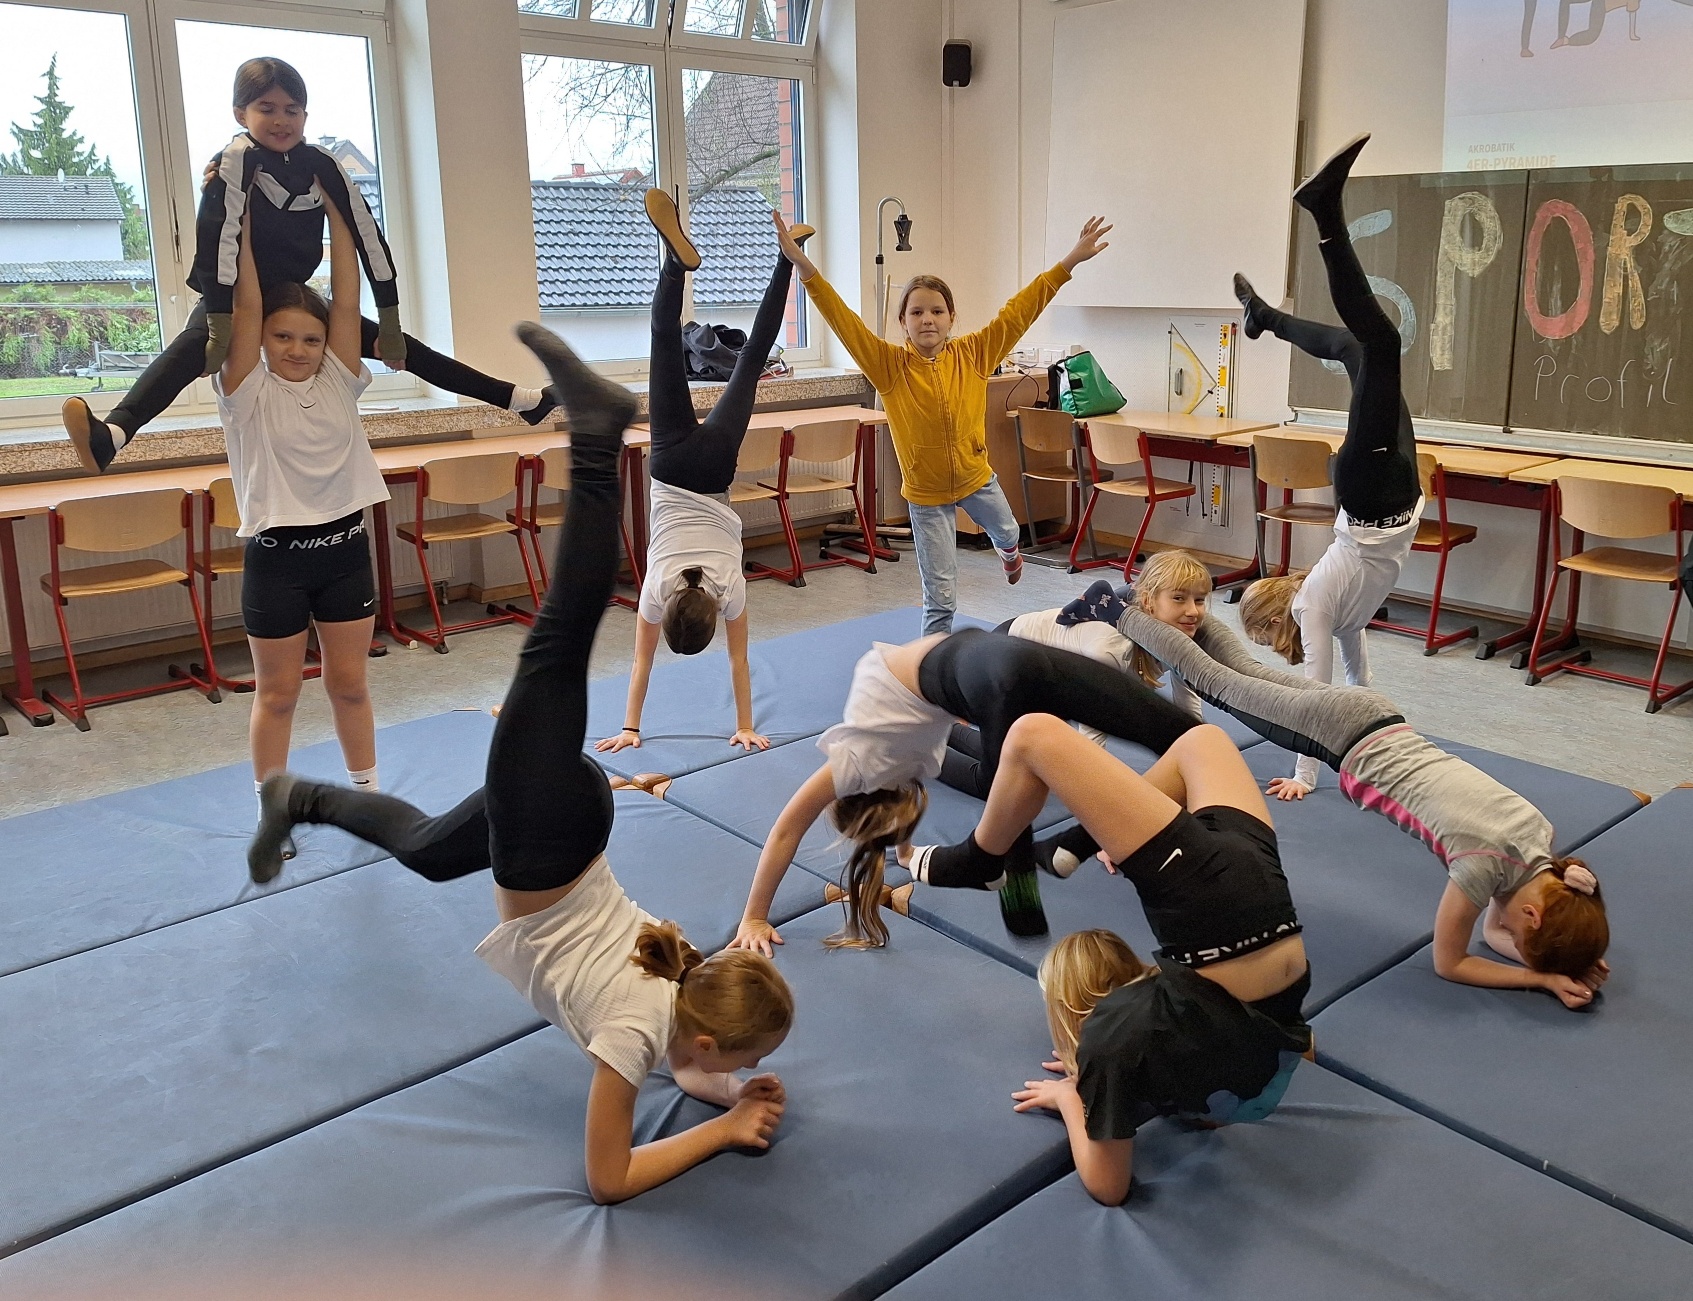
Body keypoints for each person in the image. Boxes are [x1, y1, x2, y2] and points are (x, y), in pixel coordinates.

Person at [250, 325, 793, 1204]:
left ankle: (299, 796)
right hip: (548, 842)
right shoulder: (636, 1027)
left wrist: (727, 1090)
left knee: (429, 849)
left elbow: (686, 1071)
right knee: (560, 639)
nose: (750, 1068)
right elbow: (609, 1178)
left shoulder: (678, 1000)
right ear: (700, 1037)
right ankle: (593, 436)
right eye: (747, 1056)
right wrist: (723, 1127)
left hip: (565, 832)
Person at [1086, 600, 1611, 1010]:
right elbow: (1451, 962)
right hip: (1340, 735)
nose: (1512, 935)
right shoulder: (1483, 868)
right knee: (1217, 683)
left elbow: (1501, 928)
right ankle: (1114, 609)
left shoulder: (1540, 844)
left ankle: (1177, 620)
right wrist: (1537, 977)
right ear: (1534, 915)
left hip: (1374, 717)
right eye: (1527, 933)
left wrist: (1568, 953)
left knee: (1240, 674)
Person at [61, 57, 556, 475]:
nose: (281, 120)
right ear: (241, 113)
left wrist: (390, 320)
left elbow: (368, 238)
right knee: (191, 351)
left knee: (407, 351)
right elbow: (218, 242)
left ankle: (522, 400)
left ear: (305, 113)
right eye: (266, 109)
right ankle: (116, 433)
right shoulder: (233, 162)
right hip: (232, 295)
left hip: (293, 294)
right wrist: (218, 320)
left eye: (291, 110)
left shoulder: (321, 164)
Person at [730, 628, 1200, 951]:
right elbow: (901, 822)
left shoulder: (857, 763)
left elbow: (787, 829)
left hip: (996, 675)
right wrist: (908, 855)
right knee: (1188, 738)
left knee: (1186, 741)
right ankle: (1050, 851)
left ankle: (1029, 858)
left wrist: (754, 916)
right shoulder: (905, 767)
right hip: (1006, 660)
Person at [926, 712, 1314, 1104]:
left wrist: (1082, 1080)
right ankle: (1044, 849)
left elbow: (1297, 1045)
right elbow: (1104, 1165)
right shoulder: (1140, 1048)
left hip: (1261, 903)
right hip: (1226, 900)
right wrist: (1084, 1075)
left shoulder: (1185, 1052)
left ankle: (1019, 853)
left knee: (1199, 741)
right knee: (1034, 734)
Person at [771, 211, 1112, 636]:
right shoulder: (889, 365)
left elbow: (1020, 311)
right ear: (904, 323)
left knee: (1008, 531)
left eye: (936, 311)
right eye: (916, 312)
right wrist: (805, 269)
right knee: (941, 594)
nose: (927, 319)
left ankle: (1008, 552)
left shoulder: (975, 353)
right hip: (926, 496)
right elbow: (844, 321)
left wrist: (1070, 262)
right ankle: (931, 666)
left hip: (976, 478)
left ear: (952, 317)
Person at [1232, 133, 1424, 802]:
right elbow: (1353, 676)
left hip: (1375, 492)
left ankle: (1323, 209)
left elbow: (1315, 690)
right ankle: (1264, 317)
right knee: (1353, 346)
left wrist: (1304, 774)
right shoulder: (1337, 613)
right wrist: (1378, 731)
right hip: (1392, 486)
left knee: (1381, 340)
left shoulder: (1318, 603)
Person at [596, 191, 813, 759]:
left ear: (712, 614)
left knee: (753, 356)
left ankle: (786, 257)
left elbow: (742, 662)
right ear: (669, 611)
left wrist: (744, 725)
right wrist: (631, 728)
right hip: (668, 464)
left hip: (715, 466)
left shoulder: (730, 591)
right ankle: (673, 266)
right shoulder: (653, 591)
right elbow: (641, 663)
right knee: (663, 340)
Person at [216, 177, 386, 817]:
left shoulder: (340, 381)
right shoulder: (246, 393)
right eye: (283, 337)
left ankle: (368, 795)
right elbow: (248, 304)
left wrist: (342, 215)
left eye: (310, 340)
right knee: (279, 693)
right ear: (262, 340)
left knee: (350, 686)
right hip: (277, 562)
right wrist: (244, 219)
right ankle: (271, 808)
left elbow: (347, 297)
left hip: (344, 552)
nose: (297, 349)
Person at [1014, 928, 1310, 1205]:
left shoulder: (1107, 1045)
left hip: (1251, 1098)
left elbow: (1109, 1187)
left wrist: (1070, 1099)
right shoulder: (1164, 978)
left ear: (1065, 1010)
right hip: (1288, 1048)